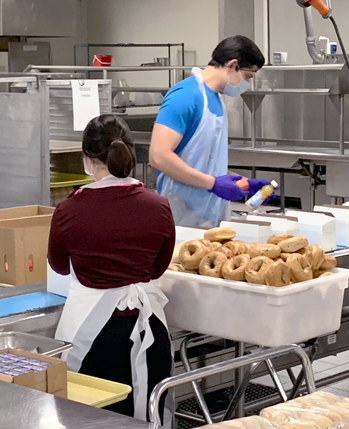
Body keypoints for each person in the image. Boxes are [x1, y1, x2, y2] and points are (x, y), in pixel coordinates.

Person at [49, 114, 175, 420]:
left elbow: (59, 267)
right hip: (149, 335)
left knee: (94, 422)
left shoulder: (68, 210)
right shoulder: (158, 205)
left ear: (87, 159)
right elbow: (157, 270)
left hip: (94, 342)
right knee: (150, 419)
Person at [149, 35, 272, 227]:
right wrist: (213, 184)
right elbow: (159, 156)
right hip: (179, 217)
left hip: (208, 216)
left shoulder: (215, 99)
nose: (246, 84)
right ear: (232, 65)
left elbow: (205, 162)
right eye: (248, 76)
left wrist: (243, 182)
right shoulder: (185, 97)